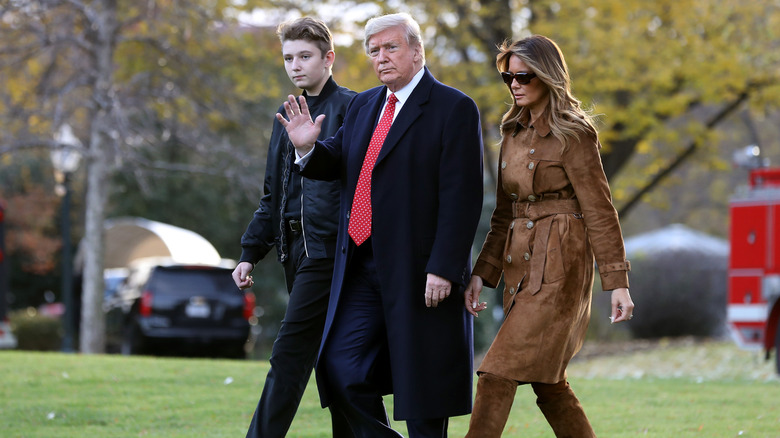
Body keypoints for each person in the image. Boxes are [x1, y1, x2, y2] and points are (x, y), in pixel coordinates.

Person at [275, 12, 484, 438]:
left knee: (425, 394)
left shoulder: (454, 107)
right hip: (361, 267)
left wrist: (445, 267)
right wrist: (307, 150)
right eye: (374, 51)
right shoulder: (366, 104)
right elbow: (336, 159)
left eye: (391, 47)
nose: (382, 58)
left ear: (416, 50)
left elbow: (462, 198)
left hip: (420, 269)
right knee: (339, 368)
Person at [463, 35, 635, 438]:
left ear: (548, 76)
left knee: (495, 372)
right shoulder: (511, 133)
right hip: (519, 266)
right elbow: (503, 214)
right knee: (548, 383)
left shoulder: (575, 133)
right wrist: (481, 274)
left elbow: (600, 211)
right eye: (508, 77)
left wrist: (618, 283)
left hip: (561, 268)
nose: (515, 84)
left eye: (524, 76)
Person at [232, 17, 356, 438]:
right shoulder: (283, 118)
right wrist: (250, 253)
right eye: (288, 57)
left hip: (331, 252)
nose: (295, 65)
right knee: (339, 365)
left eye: (305, 56)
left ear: (329, 58)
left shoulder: (355, 108)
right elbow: (273, 196)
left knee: (288, 356)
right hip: (295, 252)